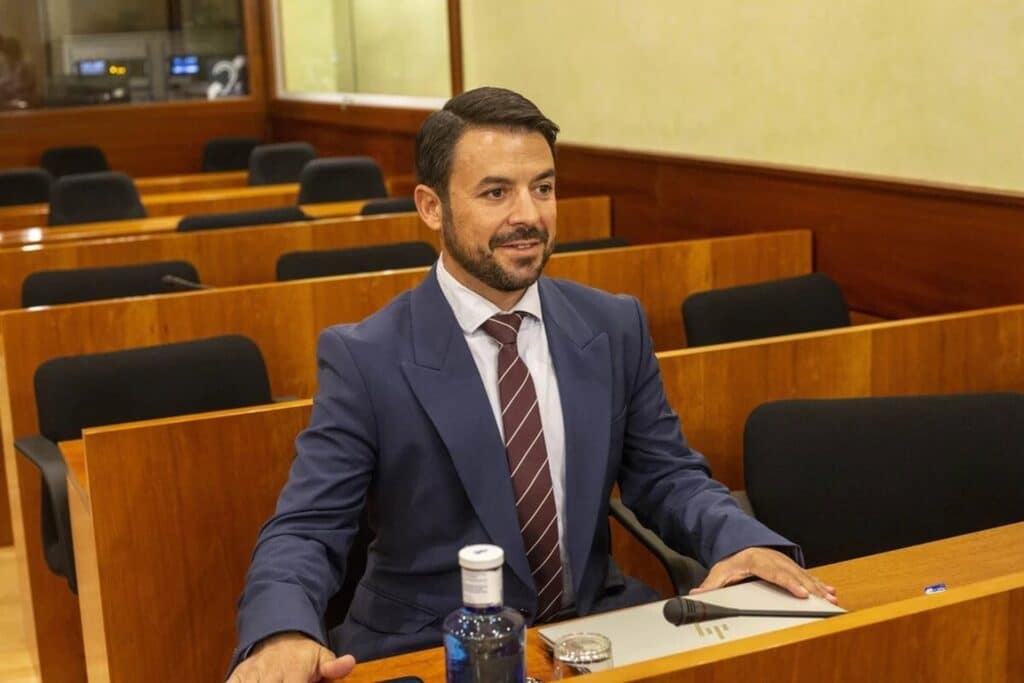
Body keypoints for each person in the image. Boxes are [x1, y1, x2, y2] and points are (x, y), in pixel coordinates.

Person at [227, 86, 836, 682]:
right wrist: (282, 631)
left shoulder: (613, 324)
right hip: (430, 647)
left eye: (542, 188)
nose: (529, 215)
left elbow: (667, 476)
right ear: (431, 207)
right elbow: (307, 526)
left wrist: (740, 542)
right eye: (496, 192)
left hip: (591, 628)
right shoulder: (366, 356)